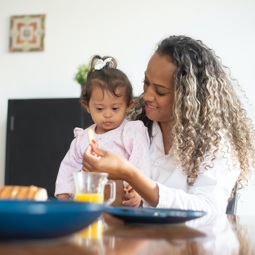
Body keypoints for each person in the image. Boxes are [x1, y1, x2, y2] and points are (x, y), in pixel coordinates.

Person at [82, 35, 255, 213]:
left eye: (160, 91)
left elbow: (209, 209)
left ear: (188, 98)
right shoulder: (134, 128)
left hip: (190, 240)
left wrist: (130, 175)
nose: (147, 96)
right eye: (146, 83)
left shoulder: (216, 142)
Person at [55, 55, 151, 206]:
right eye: (99, 108)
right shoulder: (83, 138)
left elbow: (141, 163)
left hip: (121, 202)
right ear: (87, 106)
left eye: (115, 108)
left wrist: (138, 192)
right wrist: (63, 196)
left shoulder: (132, 132)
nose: (107, 114)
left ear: (129, 105)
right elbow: (69, 166)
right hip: (86, 206)